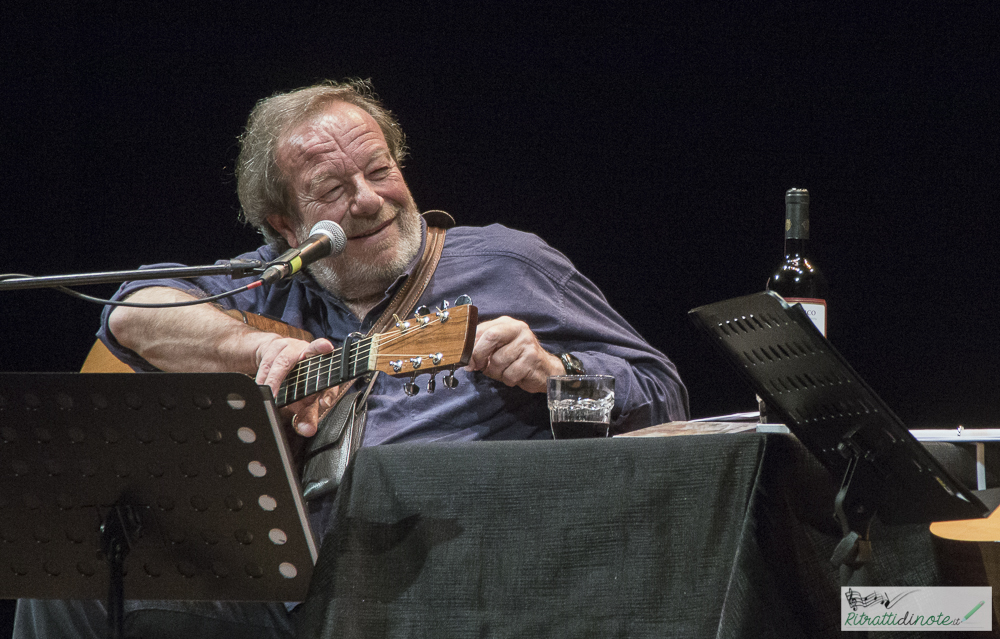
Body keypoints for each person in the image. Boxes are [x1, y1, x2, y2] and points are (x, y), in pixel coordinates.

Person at [14, 80, 688, 639]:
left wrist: (555, 376)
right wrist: (262, 348)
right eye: (333, 190)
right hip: (282, 593)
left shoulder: (508, 262)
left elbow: (663, 395)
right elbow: (135, 310)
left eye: (379, 171)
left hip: (446, 584)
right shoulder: (273, 284)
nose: (368, 200)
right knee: (66, 577)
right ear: (286, 226)